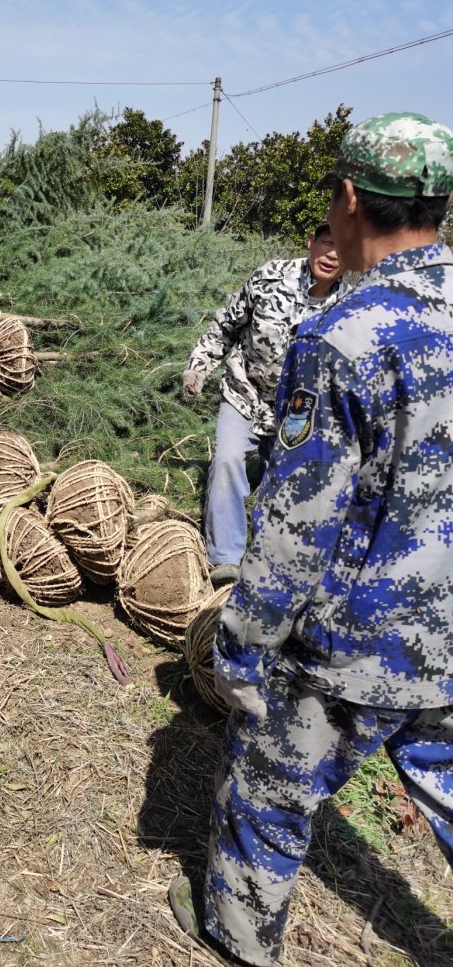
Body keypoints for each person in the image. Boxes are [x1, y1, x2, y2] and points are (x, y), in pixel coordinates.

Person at [168, 111, 453, 966]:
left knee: (265, 787)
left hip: (346, 647)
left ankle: (237, 932)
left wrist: (242, 644)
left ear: (351, 198)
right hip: (448, 637)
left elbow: (295, 527)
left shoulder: (342, 338)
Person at [181, 223, 345, 586]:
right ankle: (225, 559)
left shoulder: (351, 305)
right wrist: (198, 368)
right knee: (227, 460)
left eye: (342, 248)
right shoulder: (270, 277)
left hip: (299, 410)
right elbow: (226, 325)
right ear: (311, 243)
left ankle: (274, 566)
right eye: (327, 244)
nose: (333, 255)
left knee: (289, 484)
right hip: (245, 392)